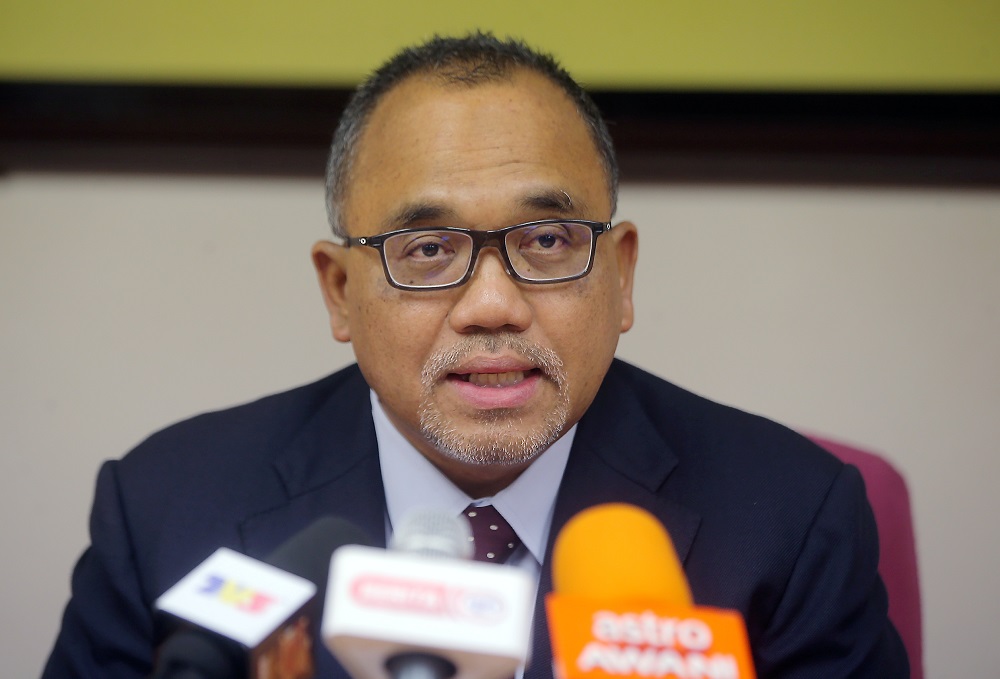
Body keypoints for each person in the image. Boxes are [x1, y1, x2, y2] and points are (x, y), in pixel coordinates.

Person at [42, 32, 908, 678]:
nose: (493, 305)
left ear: (622, 276)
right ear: (339, 292)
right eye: (426, 251)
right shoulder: (163, 511)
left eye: (547, 239)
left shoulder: (792, 518)